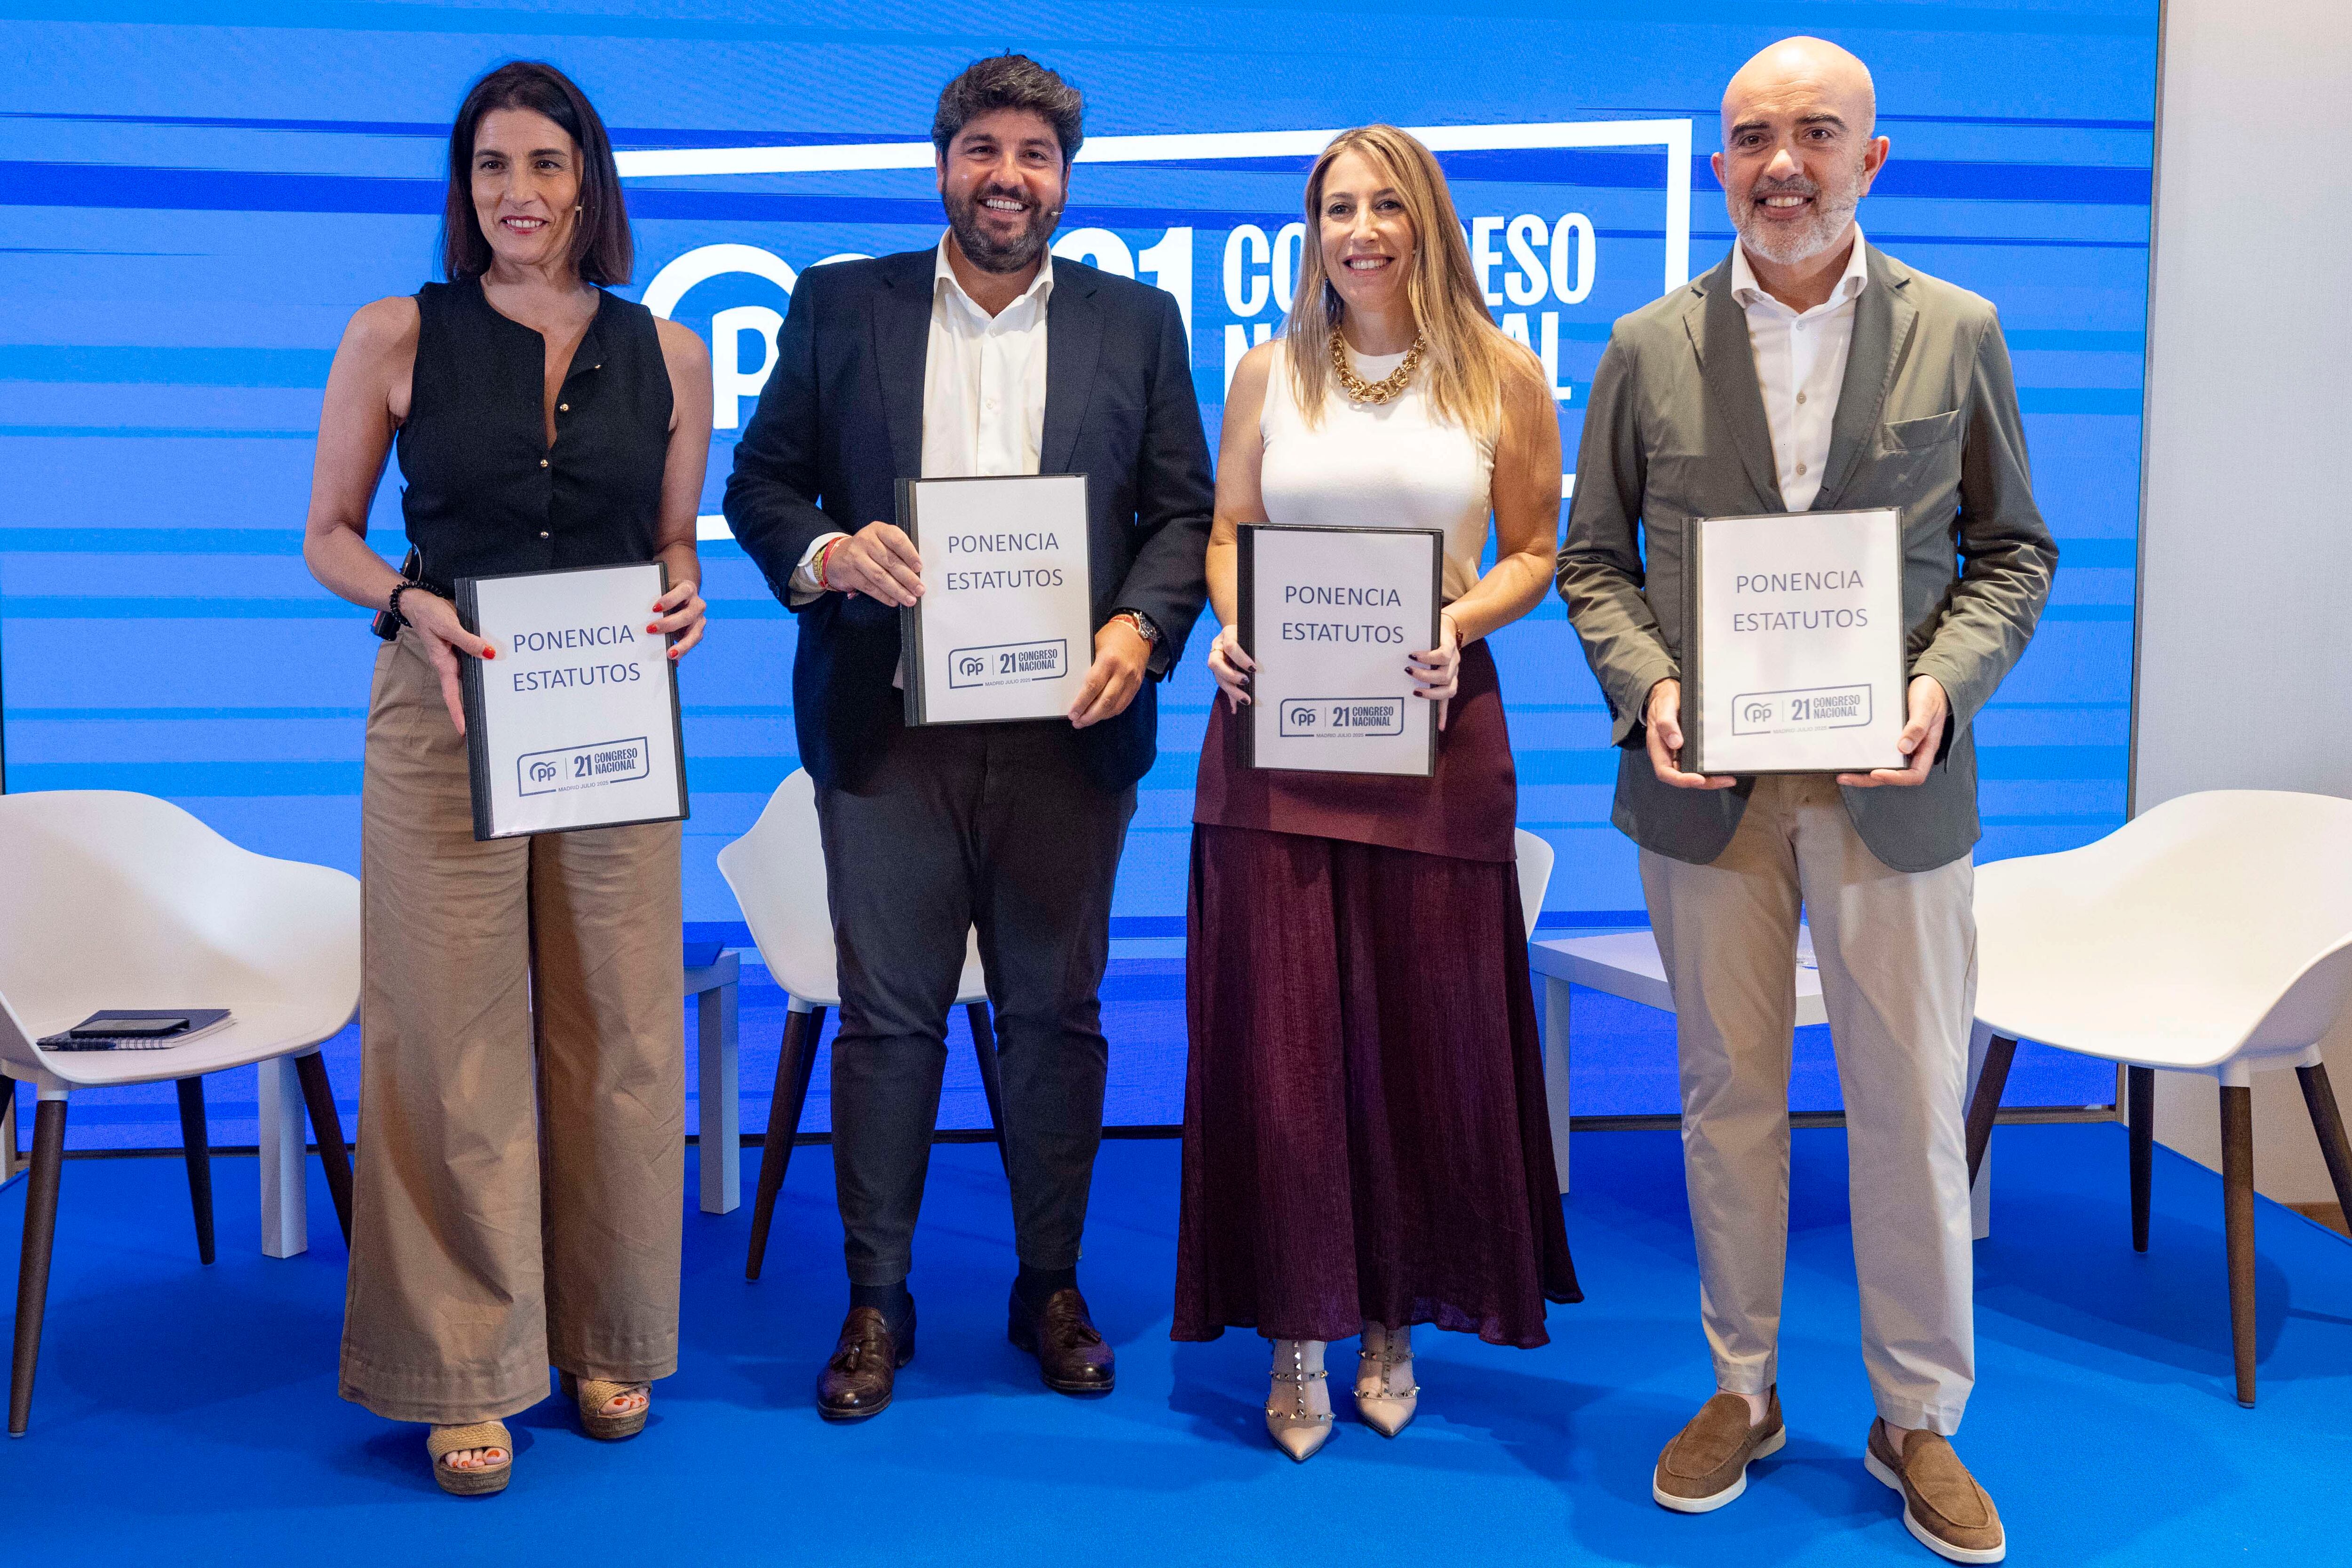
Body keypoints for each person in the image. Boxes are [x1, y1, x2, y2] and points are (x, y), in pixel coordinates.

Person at [1557, 36, 2056, 1564]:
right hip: (1706, 800)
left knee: (1910, 1109)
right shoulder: (1645, 344)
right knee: (1728, 1103)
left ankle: (1918, 1418)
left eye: (1818, 135)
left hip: (1893, 793)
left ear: (1872, 158)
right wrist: (1649, 691)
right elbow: (1593, 563)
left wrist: (1940, 691)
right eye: (1754, 138)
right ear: (1719, 165)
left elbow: (2014, 553)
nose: (1785, 164)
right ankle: (1743, 1385)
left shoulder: (1955, 330)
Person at [723, 53, 1213, 1421]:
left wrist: (1140, 631)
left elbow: (1184, 512)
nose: (1010, 176)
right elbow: (760, 484)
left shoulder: (1138, 321)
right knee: (888, 1022)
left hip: (1071, 727)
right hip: (889, 728)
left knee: (1058, 1016)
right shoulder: (840, 305)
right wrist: (827, 549)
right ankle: (876, 1302)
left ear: (1066, 179)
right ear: (944, 162)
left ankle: (1047, 1285)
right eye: (984, 148)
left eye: (1037, 155)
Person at [302, 59, 711, 1495]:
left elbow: (674, 536)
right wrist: (409, 607)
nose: (519, 194)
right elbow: (332, 536)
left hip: (608, 720)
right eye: (492, 168)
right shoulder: (394, 334)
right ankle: (464, 1362)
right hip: (440, 722)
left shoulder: (668, 351)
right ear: (462, 187)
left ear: (589, 182)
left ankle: (609, 1335)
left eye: (547, 165)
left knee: (618, 1032)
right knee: (449, 1037)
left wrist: (686, 594)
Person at [1172, 125, 1582, 1464]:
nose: (1361, 229)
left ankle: (1393, 1316)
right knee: (1284, 1048)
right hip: (1275, 740)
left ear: (1428, 224)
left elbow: (1537, 549)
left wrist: (1462, 619)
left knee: (1417, 1039)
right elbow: (1230, 532)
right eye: (1338, 207)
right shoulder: (1265, 372)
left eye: (1386, 206)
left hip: (1431, 732)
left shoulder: (1504, 377)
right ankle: (1298, 1328)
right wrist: (1231, 623)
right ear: (1315, 228)